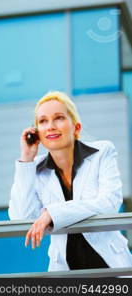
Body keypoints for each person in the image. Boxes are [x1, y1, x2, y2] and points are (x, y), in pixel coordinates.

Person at [8, 91, 132, 272]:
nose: (50, 126)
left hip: (111, 269)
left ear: (76, 128)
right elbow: (21, 217)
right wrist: (26, 160)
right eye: (42, 121)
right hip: (68, 275)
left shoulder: (103, 152)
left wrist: (52, 214)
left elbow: (109, 203)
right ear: (37, 134)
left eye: (58, 118)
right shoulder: (35, 169)